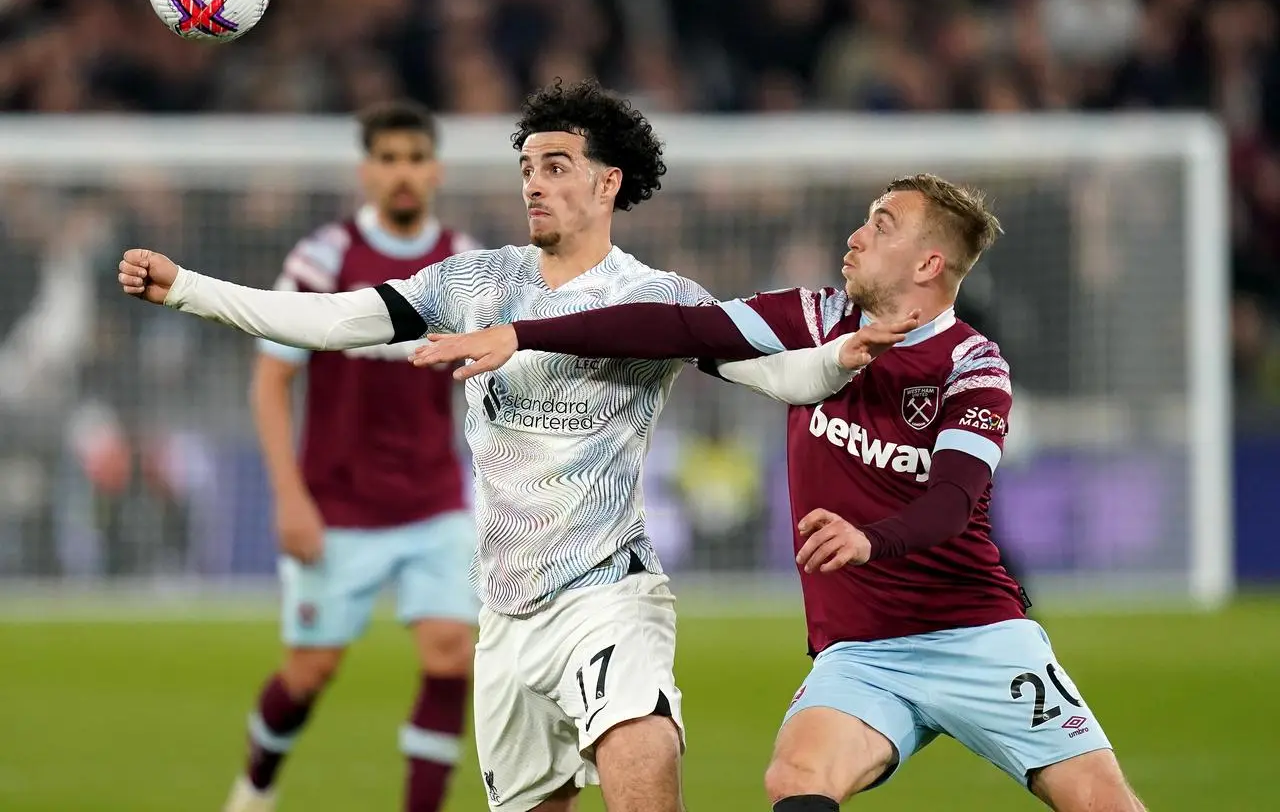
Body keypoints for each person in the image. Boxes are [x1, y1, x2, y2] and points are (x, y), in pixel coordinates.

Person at [119, 78, 864, 812]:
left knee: (641, 756)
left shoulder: (660, 298)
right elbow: (330, 320)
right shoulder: (477, 280)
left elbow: (783, 379)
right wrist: (186, 286)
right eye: (527, 169)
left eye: (556, 168)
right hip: (506, 618)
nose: (534, 185)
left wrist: (844, 357)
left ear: (609, 184)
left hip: (607, 592)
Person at [408, 173, 1147, 812]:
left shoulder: (974, 365)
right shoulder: (817, 320)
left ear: (929, 262)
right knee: (794, 775)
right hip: (861, 655)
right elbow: (679, 326)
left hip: (978, 636)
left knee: (1099, 800)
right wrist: (526, 333)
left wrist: (869, 538)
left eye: (881, 224)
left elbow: (954, 501)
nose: (855, 235)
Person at [225, 102, 480, 812]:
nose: (403, 174)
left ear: (436, 170)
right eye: (389, 159)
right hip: (335, 506)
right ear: (367, 171)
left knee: (450, 655)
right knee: (309, 672)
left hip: (434, 500)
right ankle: (255, 786)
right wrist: (289, 496)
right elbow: (272, 379)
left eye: (415, 159)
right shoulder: (322, 260)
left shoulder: (466, 264)